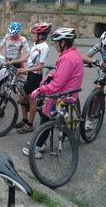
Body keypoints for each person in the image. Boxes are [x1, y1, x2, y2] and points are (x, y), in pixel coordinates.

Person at [22, 27, 84, 158]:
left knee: (46, 114)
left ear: (63, 43)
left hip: (63, 95)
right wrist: (52, 74)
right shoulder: (73, 54)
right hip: (71, 92)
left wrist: (39, 90)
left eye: (56, 43)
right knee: (50, 112)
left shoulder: (67, 58)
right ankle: (44, 140)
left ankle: (38, 147)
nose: (55, 46)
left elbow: (57, 85)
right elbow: (63, 74)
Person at [8, 22, 51, 134]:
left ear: (41, 35)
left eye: (33, 34)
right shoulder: (35, 45)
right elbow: (27, 58)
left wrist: (24, 70)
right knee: (22, 97)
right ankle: (25, 119)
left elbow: (40, 65)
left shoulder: (44, 47)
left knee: (32, 100)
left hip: (36, 76)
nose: (31, 36)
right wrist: (13, 61)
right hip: (31, 74)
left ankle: (30, 125)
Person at [82, 27, 106, 130]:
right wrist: (97, 62)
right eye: (105, 48)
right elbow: (84, 57)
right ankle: (90, 119)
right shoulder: (100, 45)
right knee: (98, 88)